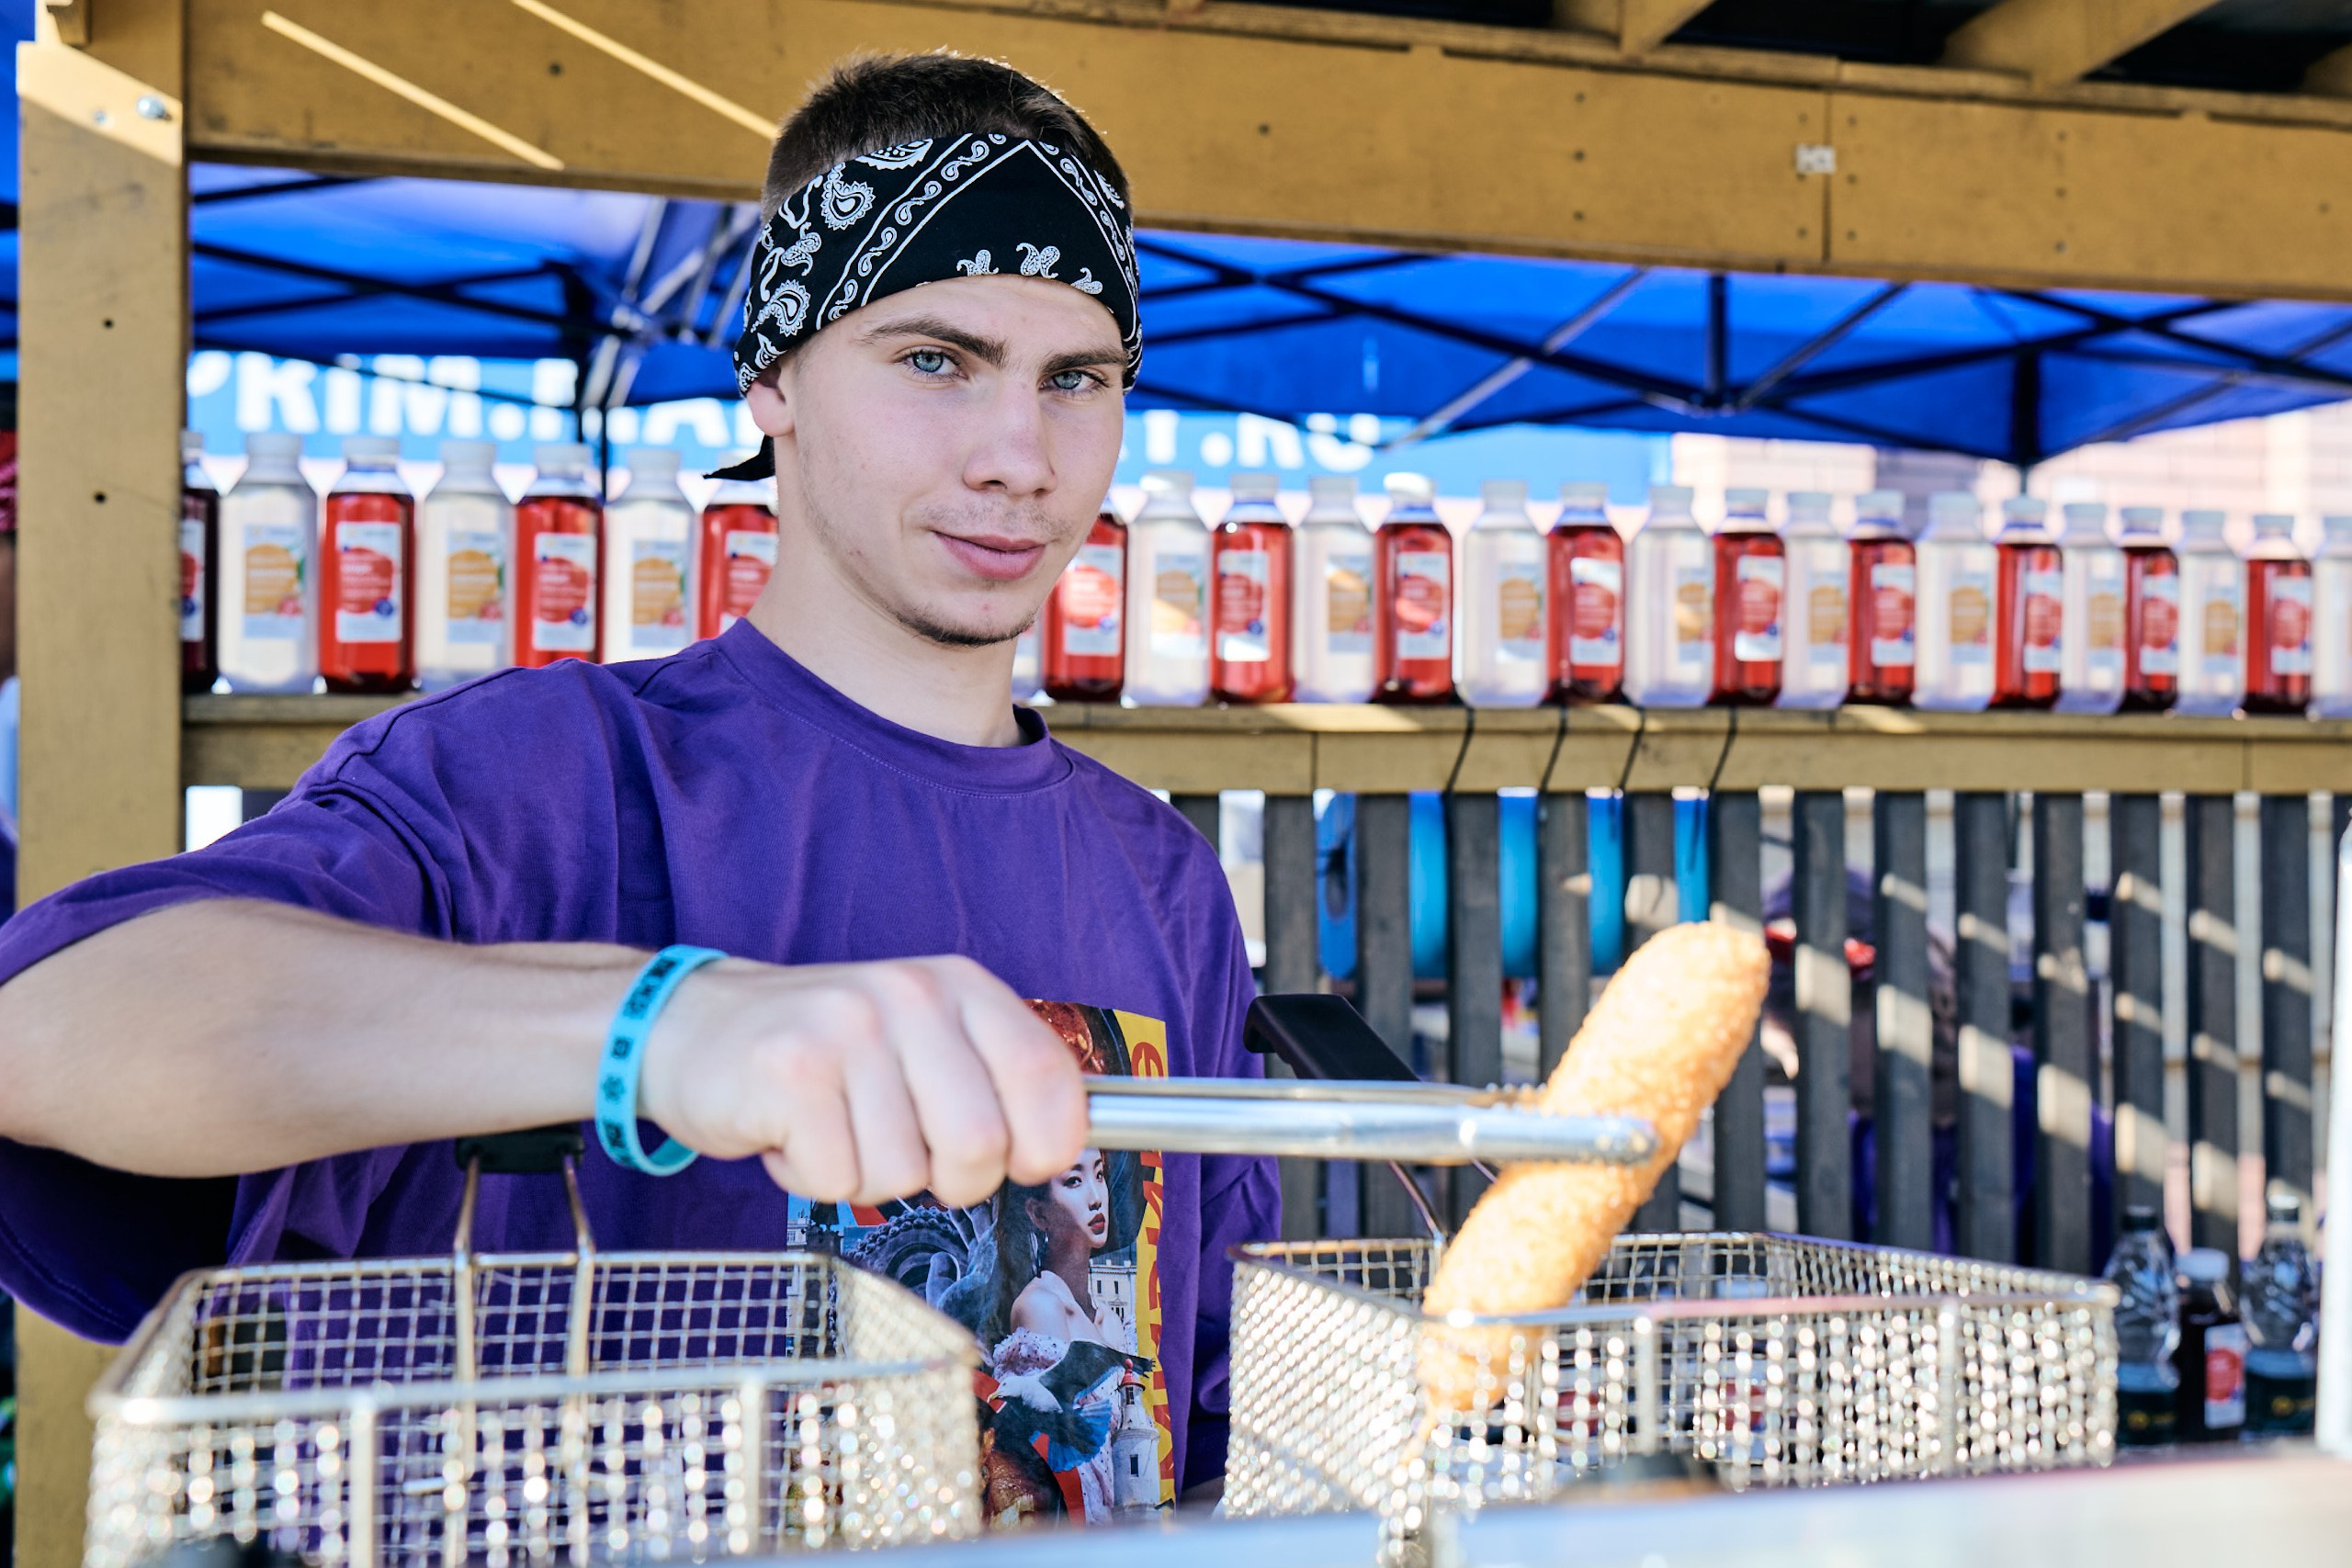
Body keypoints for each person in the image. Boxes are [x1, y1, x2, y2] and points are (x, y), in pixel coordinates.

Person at [0, 51, 1276, 1514]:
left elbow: (1211, 1405)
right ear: (775, 378)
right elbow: (47, 1034)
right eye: (937, 359)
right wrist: (660, 1025)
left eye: (1078, 381)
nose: (1020, 456)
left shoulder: (1162, 877)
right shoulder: (530, 779)